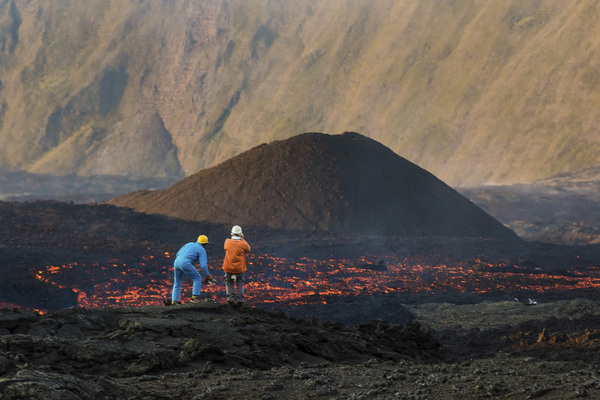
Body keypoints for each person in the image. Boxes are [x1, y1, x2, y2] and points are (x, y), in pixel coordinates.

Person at [166, 234, 216, 305]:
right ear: (205, 244)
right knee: (197, 278)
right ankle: (194, 299)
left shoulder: (189, 244)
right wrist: (208, 276)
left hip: (177, 261)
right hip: (185, 263)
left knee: (177, 282)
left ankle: (174, 301)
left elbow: (177, 254)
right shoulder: (202, 249)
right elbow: (203, 266)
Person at [222, 225, 251, 308]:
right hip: (239, 269)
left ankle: (230, 300)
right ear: (240, 234)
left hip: (228, 267)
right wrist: (243, 239)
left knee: (229, 283)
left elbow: (225, 249)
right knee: (240, 284)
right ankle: (240, 301)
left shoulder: (227, 241)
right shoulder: (243, 243)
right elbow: (248, 249)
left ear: (232, 233)